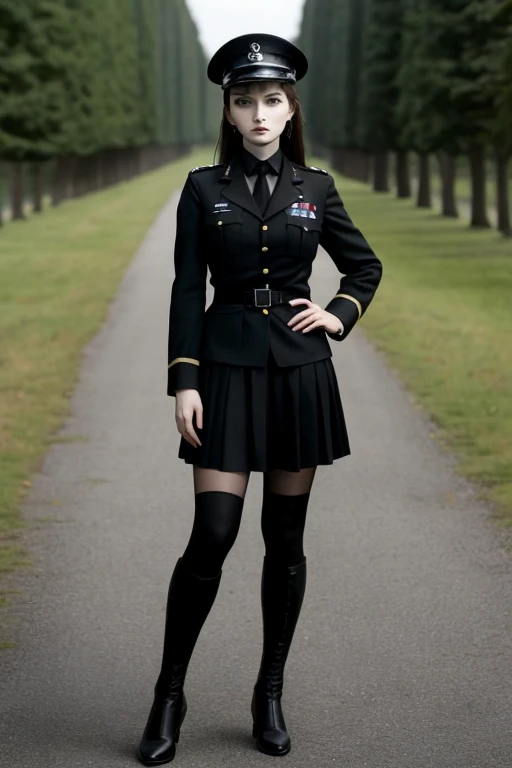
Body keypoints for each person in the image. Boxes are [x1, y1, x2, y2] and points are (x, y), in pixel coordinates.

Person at [138, 33, 382, 765]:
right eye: (245, 101)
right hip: (224, 368)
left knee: (286, 541)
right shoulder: (200, 188)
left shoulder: (318, 187)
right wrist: (183, 378)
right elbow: (187, 287)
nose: (259, 113)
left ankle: (269, 692)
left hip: (300, 373)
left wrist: (337, 313)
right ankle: (168, 695)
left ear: (288, 106)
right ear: (231, 111)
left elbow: (364, 267)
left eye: (271, 99)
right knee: (212, 535)